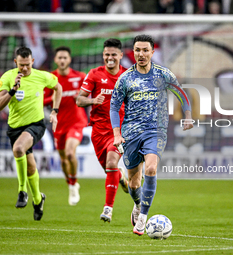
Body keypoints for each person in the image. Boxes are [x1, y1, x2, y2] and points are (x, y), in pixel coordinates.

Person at [110, 34, 194, 235]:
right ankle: (138, 204)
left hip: (156, 131)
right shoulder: (125, 78)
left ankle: (143, 218)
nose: (141, 54)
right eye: (137, 50)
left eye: (145, 50)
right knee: (133, 181)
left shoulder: (162, 74)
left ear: (152, 52)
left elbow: (181, 94)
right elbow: (114, 107)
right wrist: (116, 134)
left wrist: (188, 116)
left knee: (151, 167)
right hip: (130, 133)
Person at [0, 46, 62, 220]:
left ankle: (21, 191)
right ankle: (38, 199)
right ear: (15, 62)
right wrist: (12, 91)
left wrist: (54, 111)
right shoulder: (8, 77)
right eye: (21, 65)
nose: (24, 68)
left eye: (27, 65)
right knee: (31, 165)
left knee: (18, 149)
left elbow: (58, 88)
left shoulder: (42, 76)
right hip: (15, 127)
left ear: (32, 62)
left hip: (36, 124)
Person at [76, 38, 129, 222]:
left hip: (119, 131)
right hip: (98, 131)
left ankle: (108, 209)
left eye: (114, 54)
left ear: (121, 56)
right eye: (107, 54)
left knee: (112, 162)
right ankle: (121, 177)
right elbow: (79, 100)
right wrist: (92, 101)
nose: (110, 58)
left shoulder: (128, 76)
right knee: (111, 170)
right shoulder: (94, 74)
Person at [44, 46, 87, 206]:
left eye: (65, 58)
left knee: (70, 153)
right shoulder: (50, 79)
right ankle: (70, 183)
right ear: (55, 60)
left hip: (76, 122)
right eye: (59, 58)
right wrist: (55, 98)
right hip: (58, 124)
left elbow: (90, 96)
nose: (62, 60)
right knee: (63, 159)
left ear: (69, 60)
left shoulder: (80, 77)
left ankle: (73, 186)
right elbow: (42, 100)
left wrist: (81, 98)